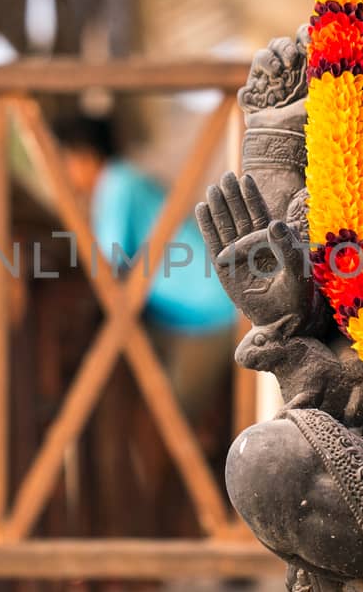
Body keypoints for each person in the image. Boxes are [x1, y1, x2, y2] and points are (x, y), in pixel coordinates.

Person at [52, 115, 237, 439]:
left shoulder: (116, 183)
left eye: (65, 161)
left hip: (209, 309)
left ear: (84, 156)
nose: (65, 173)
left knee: (173, 419)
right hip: (203, 307)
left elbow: (107, 264)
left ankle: (192, 485)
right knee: (181, 418)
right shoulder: (126, 180)